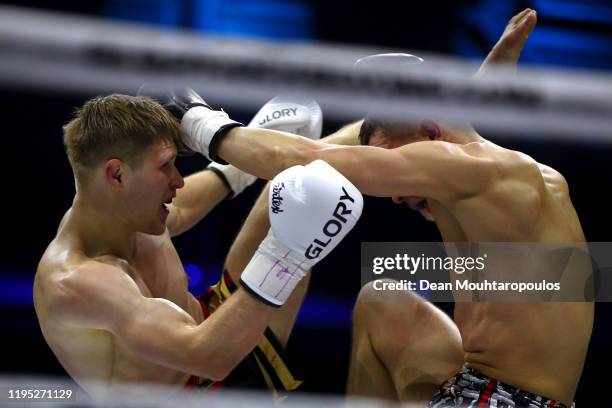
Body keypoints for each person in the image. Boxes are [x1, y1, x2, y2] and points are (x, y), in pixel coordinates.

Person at [144, 8, 592, 407]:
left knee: (315, 172)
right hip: (485, 383)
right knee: (382, 301)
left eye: (396, 162)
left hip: (509, 402)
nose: (396, 195)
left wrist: (197, 120)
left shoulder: (468, 167)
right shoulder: (500, 171)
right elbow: (450, 134)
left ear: (432, 133)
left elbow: (304, 160)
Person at [33, 93, 363, 397]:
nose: (176, 179)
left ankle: (395, 121)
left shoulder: (125, 210)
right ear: (117, 174)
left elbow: (184, 206)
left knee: (303, 175)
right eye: (165, 166)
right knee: (298, 211)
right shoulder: (78, 281)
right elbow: (206, 357)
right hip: (199, 387)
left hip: (210, 324)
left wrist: (233, 169)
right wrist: (284, 257)